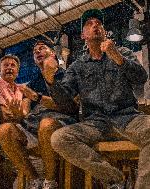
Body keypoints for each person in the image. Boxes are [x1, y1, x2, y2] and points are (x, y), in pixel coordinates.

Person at [41, 9, 149, 189]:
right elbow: (66, 101)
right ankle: (115, 179)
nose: (95, 25)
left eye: (99, 23)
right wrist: (50, 80)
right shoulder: (77, 65)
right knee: (59, 138)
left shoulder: (123, 52)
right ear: (83, 35)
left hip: (128, 118)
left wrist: (118, 58)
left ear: (105, 31)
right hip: (94, 124)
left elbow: (141, 77)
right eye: (89, 24)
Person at [0, 43, 78, 189]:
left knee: (46, 125)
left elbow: (70, 106)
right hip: (33, 127)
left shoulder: (68, 75)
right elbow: (25, 111)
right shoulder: (33, 82)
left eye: (42, 48)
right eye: (34, 51)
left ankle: (50, 181)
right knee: (4, 130)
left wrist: (38, 97)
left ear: (53, 53)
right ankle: (34, 179)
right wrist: (17, 114)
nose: (37, 51)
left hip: (60, 124)